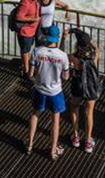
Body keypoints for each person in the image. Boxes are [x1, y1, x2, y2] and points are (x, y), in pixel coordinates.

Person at [26, 24, 70, 160]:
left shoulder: (37, 51)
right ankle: (52, 150)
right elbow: (65, 77)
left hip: (39, 89)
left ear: (46, 37)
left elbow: (30, 74)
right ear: (57, 38)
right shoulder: (63, 56)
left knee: (35, 114)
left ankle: (30, 145)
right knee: (55, 120)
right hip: (55, 92)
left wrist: (37, 77)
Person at [64, 27, 101, 153]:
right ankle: (88, 142)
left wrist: (64, 38)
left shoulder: (74, 58)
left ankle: (75, 137)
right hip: (90, 86)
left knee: (74, 108)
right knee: (89, 113)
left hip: (78, 85)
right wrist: (88, 40)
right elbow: (96, 48)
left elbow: (60, 53)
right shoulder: (94, 55)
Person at [15, 0, 41, 77]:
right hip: (25, 32)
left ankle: (24, 67)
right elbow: (19, 17)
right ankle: (27, 72)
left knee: (26, 50)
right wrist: (33, 19)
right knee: (26, 51)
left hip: (31, 31)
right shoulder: (26, 2)